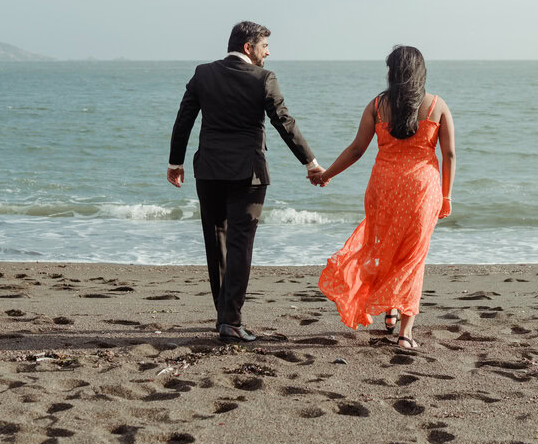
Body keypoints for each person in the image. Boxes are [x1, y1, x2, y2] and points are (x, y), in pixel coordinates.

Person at [169, 21, 324, 342]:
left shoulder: (203, 73)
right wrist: (310, 162)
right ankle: (231, 320)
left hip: (208, 171)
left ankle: (224, 316)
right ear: (247, 47)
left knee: (217, 242)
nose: (268, 52)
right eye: (264, 46)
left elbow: (184, 118)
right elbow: (283, 121)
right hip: (248, 174)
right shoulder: (263, 78)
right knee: (240, 245)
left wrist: (175, 162)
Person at [314, 45, 455, 350]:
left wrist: (327, 175)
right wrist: (447, 195)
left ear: (393, 72)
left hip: (384, 188)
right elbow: (450, 155)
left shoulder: (377, 105)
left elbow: (356, 150)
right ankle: (405, 333)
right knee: (413, 258)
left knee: (384, 249)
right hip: (422, 190)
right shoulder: (437, 106)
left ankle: (389, 307)